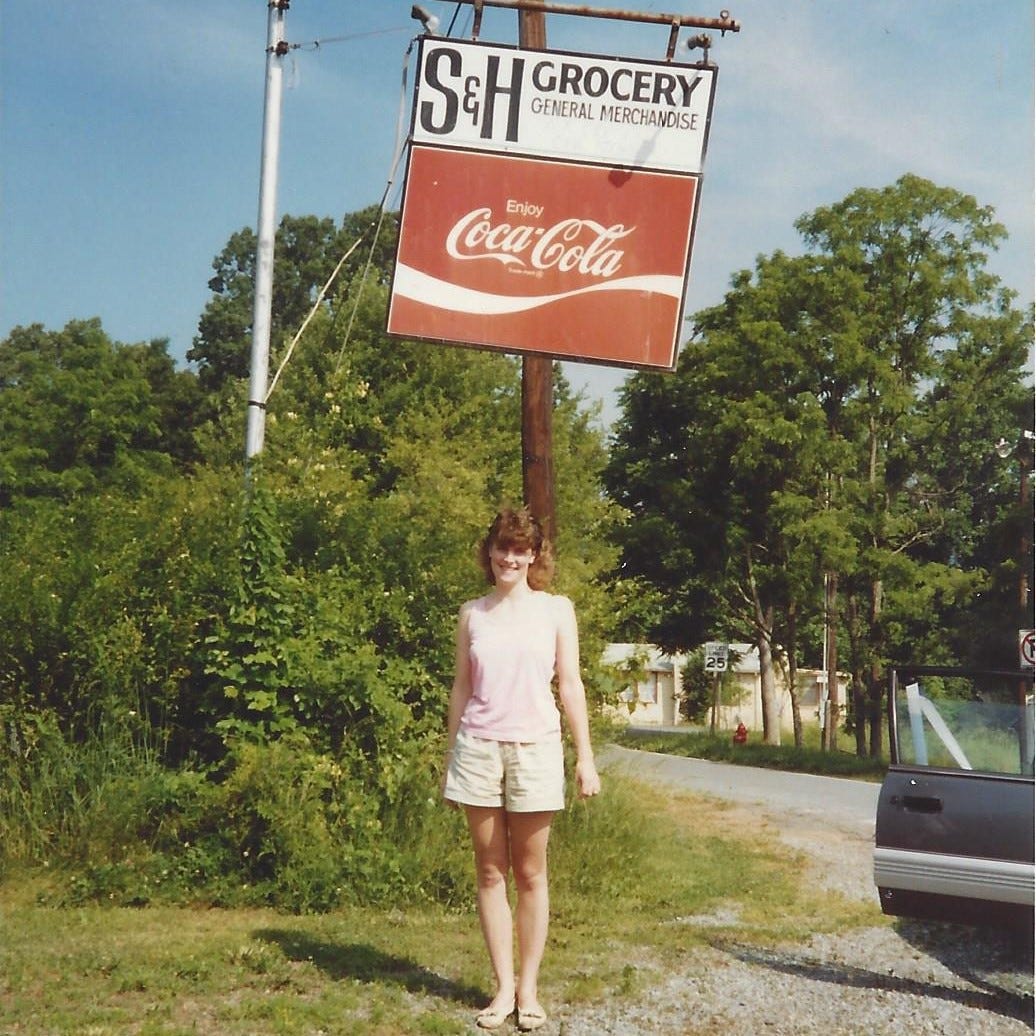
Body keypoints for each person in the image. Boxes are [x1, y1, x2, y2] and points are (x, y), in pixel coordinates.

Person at [443, 507, 601, 1032]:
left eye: (520, 549)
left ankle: (530, 990)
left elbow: (570, 686)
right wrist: (451, 759)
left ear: (534, 556)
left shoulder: (557, 611)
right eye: (502, 548)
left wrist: (586, 757)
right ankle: (503, 988)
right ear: (489, 554)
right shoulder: (472, 614)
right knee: (490, 872)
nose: (510, 558)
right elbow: (462, 689)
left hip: (536, 750)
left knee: (532, 874)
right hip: (479, 750)